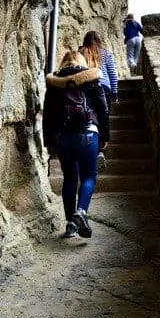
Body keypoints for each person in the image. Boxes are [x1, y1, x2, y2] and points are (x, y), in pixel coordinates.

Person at [43, 50, 109, 238]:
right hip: (88, 133)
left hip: (63, 137)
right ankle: (81, 211)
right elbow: (103, 110)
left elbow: (48, 116)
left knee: (70, 178)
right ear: (82, 62)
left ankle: (71, 225)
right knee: (89, 176)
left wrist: (48, 142)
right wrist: (105, 135)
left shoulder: (54, 83)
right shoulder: (91, 79)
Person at [80, 30, 118, 110]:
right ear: (99, 41)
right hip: (104, 87)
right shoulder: (106, 53)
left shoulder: (80, 53)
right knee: (104, 114)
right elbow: (112, 74)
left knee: (89, 114)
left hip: (86, 87)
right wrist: (114, 93)